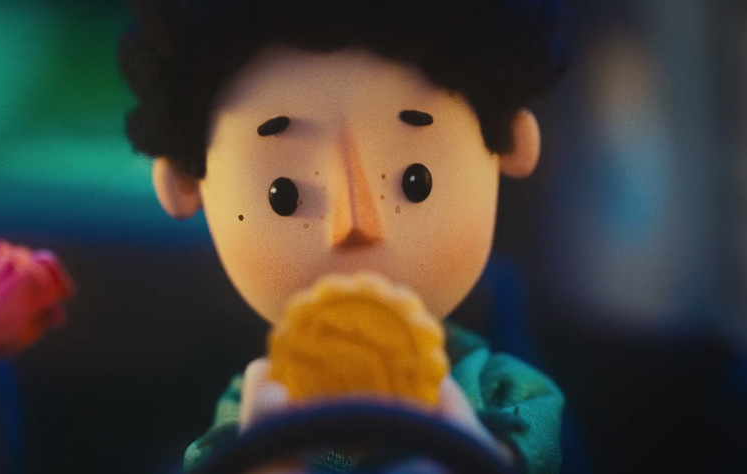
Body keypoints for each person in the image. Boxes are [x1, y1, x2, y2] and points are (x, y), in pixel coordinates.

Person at [118, 1, 569, 473]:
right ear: (186, 185)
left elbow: (535, 449)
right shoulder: (251, 402)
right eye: (284, 194)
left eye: (416, 182)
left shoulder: (503, 391)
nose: (354, 224)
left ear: (510, 146)